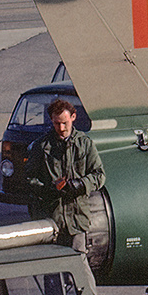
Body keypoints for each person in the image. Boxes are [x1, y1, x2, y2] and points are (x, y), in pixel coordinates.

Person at [24, 98, 105, 254]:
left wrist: (80, 185)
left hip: (77, 221)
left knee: (79, 262)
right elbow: (29, 179)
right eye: (56, 123)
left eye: (64, 123)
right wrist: (48, 190)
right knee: (52, 268)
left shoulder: (85, 144)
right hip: (51, 221)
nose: (61, 128)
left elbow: (99, 175)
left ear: (73, 117)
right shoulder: (41, 146)